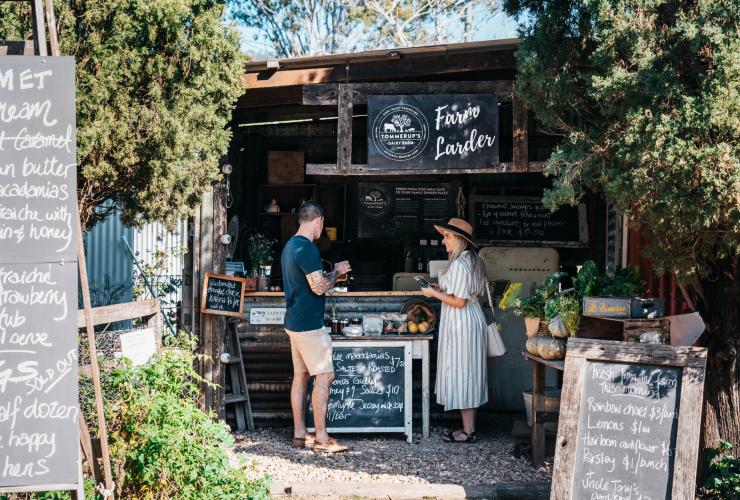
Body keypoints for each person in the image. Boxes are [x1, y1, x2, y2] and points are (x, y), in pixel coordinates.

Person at [280, 201, 351, 453]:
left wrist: (330, 276)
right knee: (325, 375)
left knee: (301, 376)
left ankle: (300, 434)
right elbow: (318, 286)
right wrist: (339, 271)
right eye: (323, 224)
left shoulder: (290, 246)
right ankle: (321, 438)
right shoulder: (307, 248)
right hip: (309, 324)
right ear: (318, 220)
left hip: (294, 321)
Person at [421, 218, 488, 443]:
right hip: (472, 319)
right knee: (470, 372)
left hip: (462, 322)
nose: (443, 240)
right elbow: (463, 290)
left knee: (463, 373)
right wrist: (440, 288)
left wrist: (432, 294)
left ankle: (468, 432)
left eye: (447, 236)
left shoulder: (460, 263)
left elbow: (459, 301)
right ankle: (470, 428)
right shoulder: (473, 260)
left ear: (459, 239)